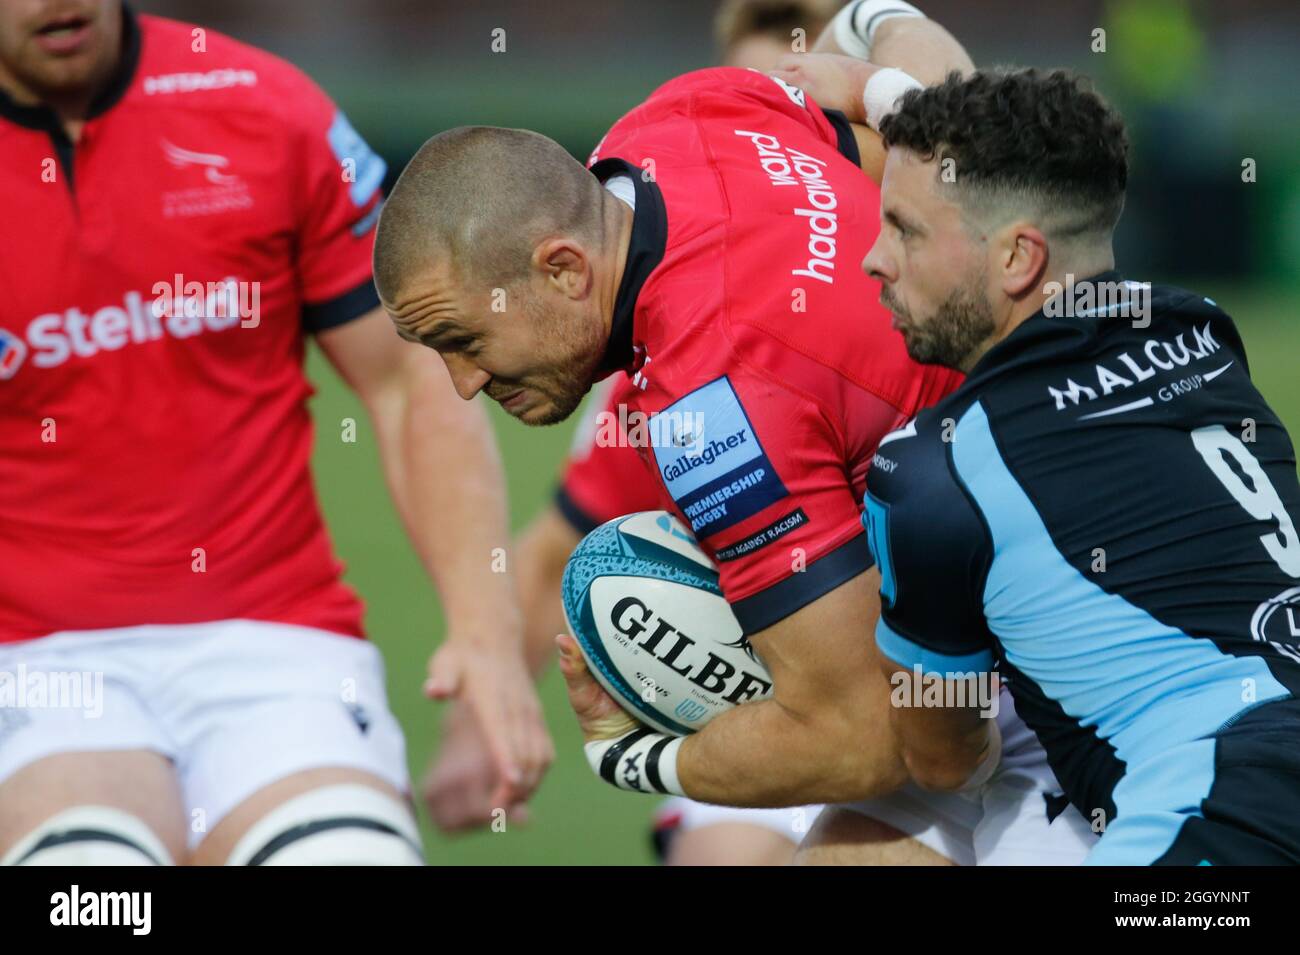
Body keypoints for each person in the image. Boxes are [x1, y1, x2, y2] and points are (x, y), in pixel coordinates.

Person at [374, 4, 1093, 864]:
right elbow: (952, 145)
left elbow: (861, 736)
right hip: (1031, 547)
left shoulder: (713, 411)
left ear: (562, 270)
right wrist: (877, 20)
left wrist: (631, 753)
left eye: (464, 340)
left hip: (1076, 646)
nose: (463, 384)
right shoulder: (681, 115)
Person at [0, 0, 549, 866]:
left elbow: (409, 379)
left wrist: (485, 639)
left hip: (275, 643)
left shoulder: (265, 107)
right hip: (33, 656)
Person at [833, 65, 1300, 864]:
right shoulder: (1203, 330)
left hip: (1219, 816)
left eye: (905, 229)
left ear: (1018, 258)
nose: (876, 259)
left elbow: (941, 756)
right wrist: (881, 88)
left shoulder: (932, 474)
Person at [427, 0, 848, 867]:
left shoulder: (932, 298)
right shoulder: (667, 384)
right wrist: (487, 720)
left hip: (942, 692)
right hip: (778, 709)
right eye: (771, 89)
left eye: (811, 101)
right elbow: (552, 552)